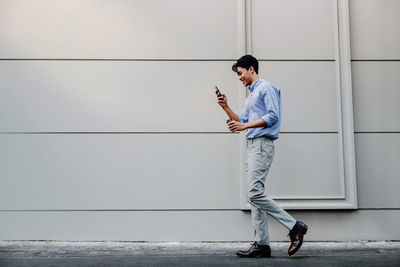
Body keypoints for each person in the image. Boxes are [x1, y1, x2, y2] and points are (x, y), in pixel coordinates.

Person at [216, 55, 308, 258]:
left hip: (262, 145)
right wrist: (225, 107)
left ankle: (295, 226)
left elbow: (273, 116)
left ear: (251, 69)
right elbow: (243, 119)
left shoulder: (266, 88)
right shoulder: (251, 95)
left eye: (240, 73)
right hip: (252, 146)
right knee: (254, 197)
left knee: (255, 193)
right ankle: (262, 245)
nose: (239, 78)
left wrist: (245, 126)